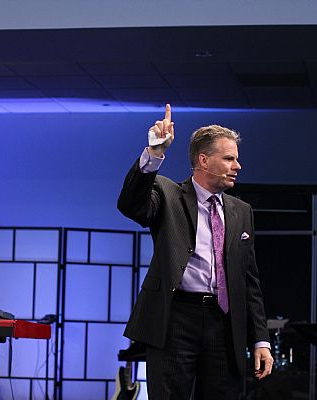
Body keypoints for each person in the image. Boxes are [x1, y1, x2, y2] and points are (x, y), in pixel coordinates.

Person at [117, 104, 273, 399]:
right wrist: (154, 154)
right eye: (229, 158)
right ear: (203, 160)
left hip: (224, 323)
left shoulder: (242, 211)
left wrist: (261, 340)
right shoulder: (168, 194)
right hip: (175, 320)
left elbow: (249, 281)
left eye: (236, 159)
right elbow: (130, 204)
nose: (237, 166)